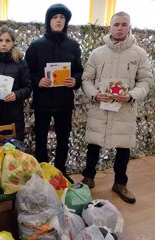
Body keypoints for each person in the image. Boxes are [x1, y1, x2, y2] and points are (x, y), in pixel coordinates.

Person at [81, 11, 154, 204]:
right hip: (100, 107)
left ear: (129, 27)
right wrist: (95, 94)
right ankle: (89, 178)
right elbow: (86, 79)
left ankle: (120, 183)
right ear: (110, 27)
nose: (120, 28)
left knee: (123, 147)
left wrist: (131, 95)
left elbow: (146, 81)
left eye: (124, 24)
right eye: (116, 24)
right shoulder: (97, 53)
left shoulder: (139, 54)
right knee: (94, 144)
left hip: (125, 109)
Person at [25, 3, 83, 183]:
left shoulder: (73, 46)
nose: (58, 21)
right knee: (40, 138)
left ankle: (60, 171)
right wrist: (37, 81)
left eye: (62, 18)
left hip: (64, 101)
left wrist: (75, 80)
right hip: (43, 101)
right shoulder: (36, 45)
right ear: (48, 21)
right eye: (55, 17)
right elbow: (27, 71)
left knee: (63, 138)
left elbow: (79, 70)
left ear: (66, 22)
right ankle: (42, 171)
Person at [0, 25, 32, 141]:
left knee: (13, 155)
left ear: (13, 42)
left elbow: (28, 88)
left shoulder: (21, 63)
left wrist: (16, 95)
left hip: (14, 118)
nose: (3, 44)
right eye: (0, 40)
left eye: (7, 40)